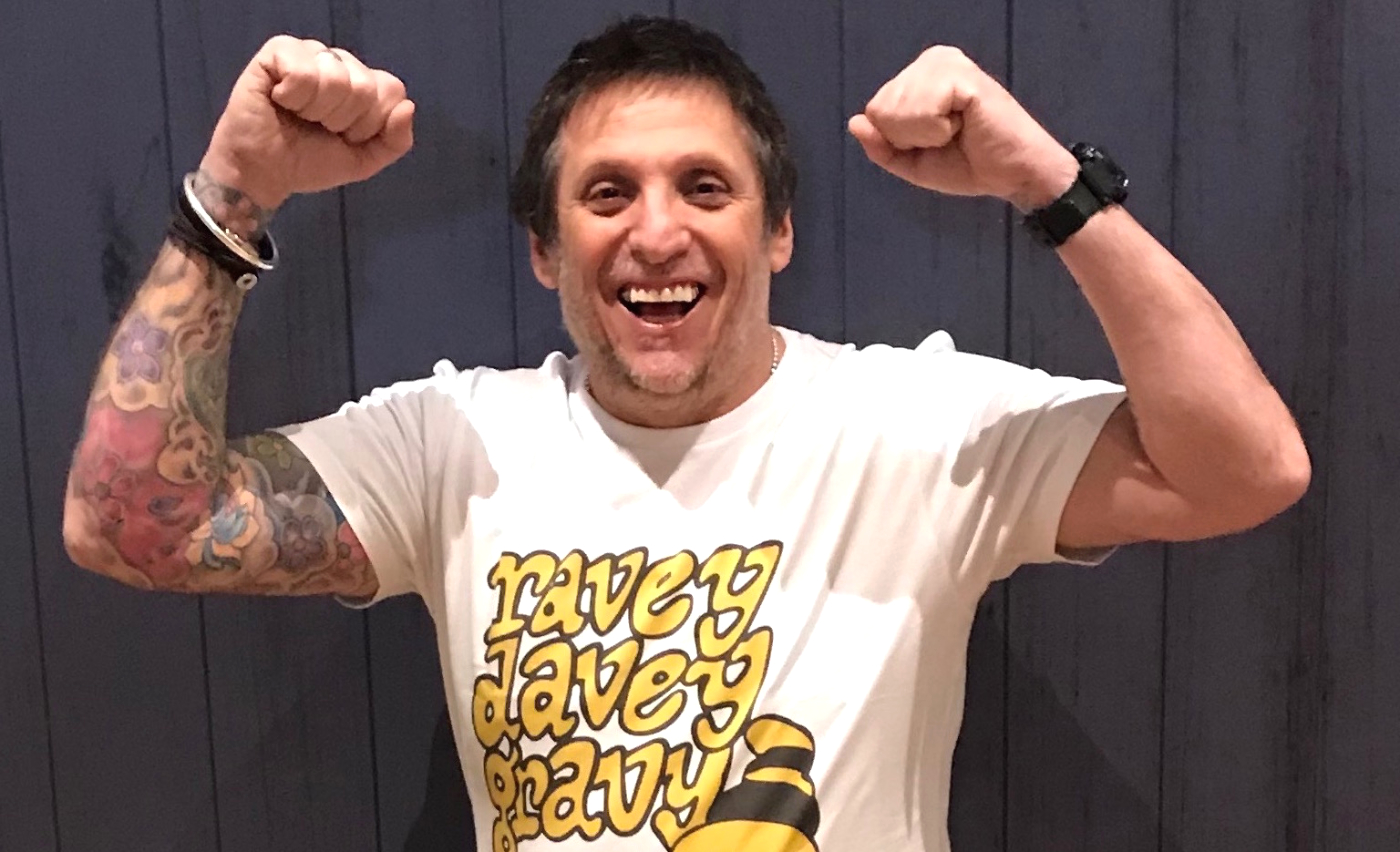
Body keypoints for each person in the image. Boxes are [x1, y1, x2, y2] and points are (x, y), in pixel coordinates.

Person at [62, 15, 1309, 852]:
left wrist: (1048, 182)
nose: (656, 233)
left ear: (777, 232)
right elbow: (134, 525)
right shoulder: (451, 445)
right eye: (606, 192)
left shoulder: (917, 426)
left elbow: (1243, 470)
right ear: (545, 250)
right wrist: (232, 196)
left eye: (704, 187)